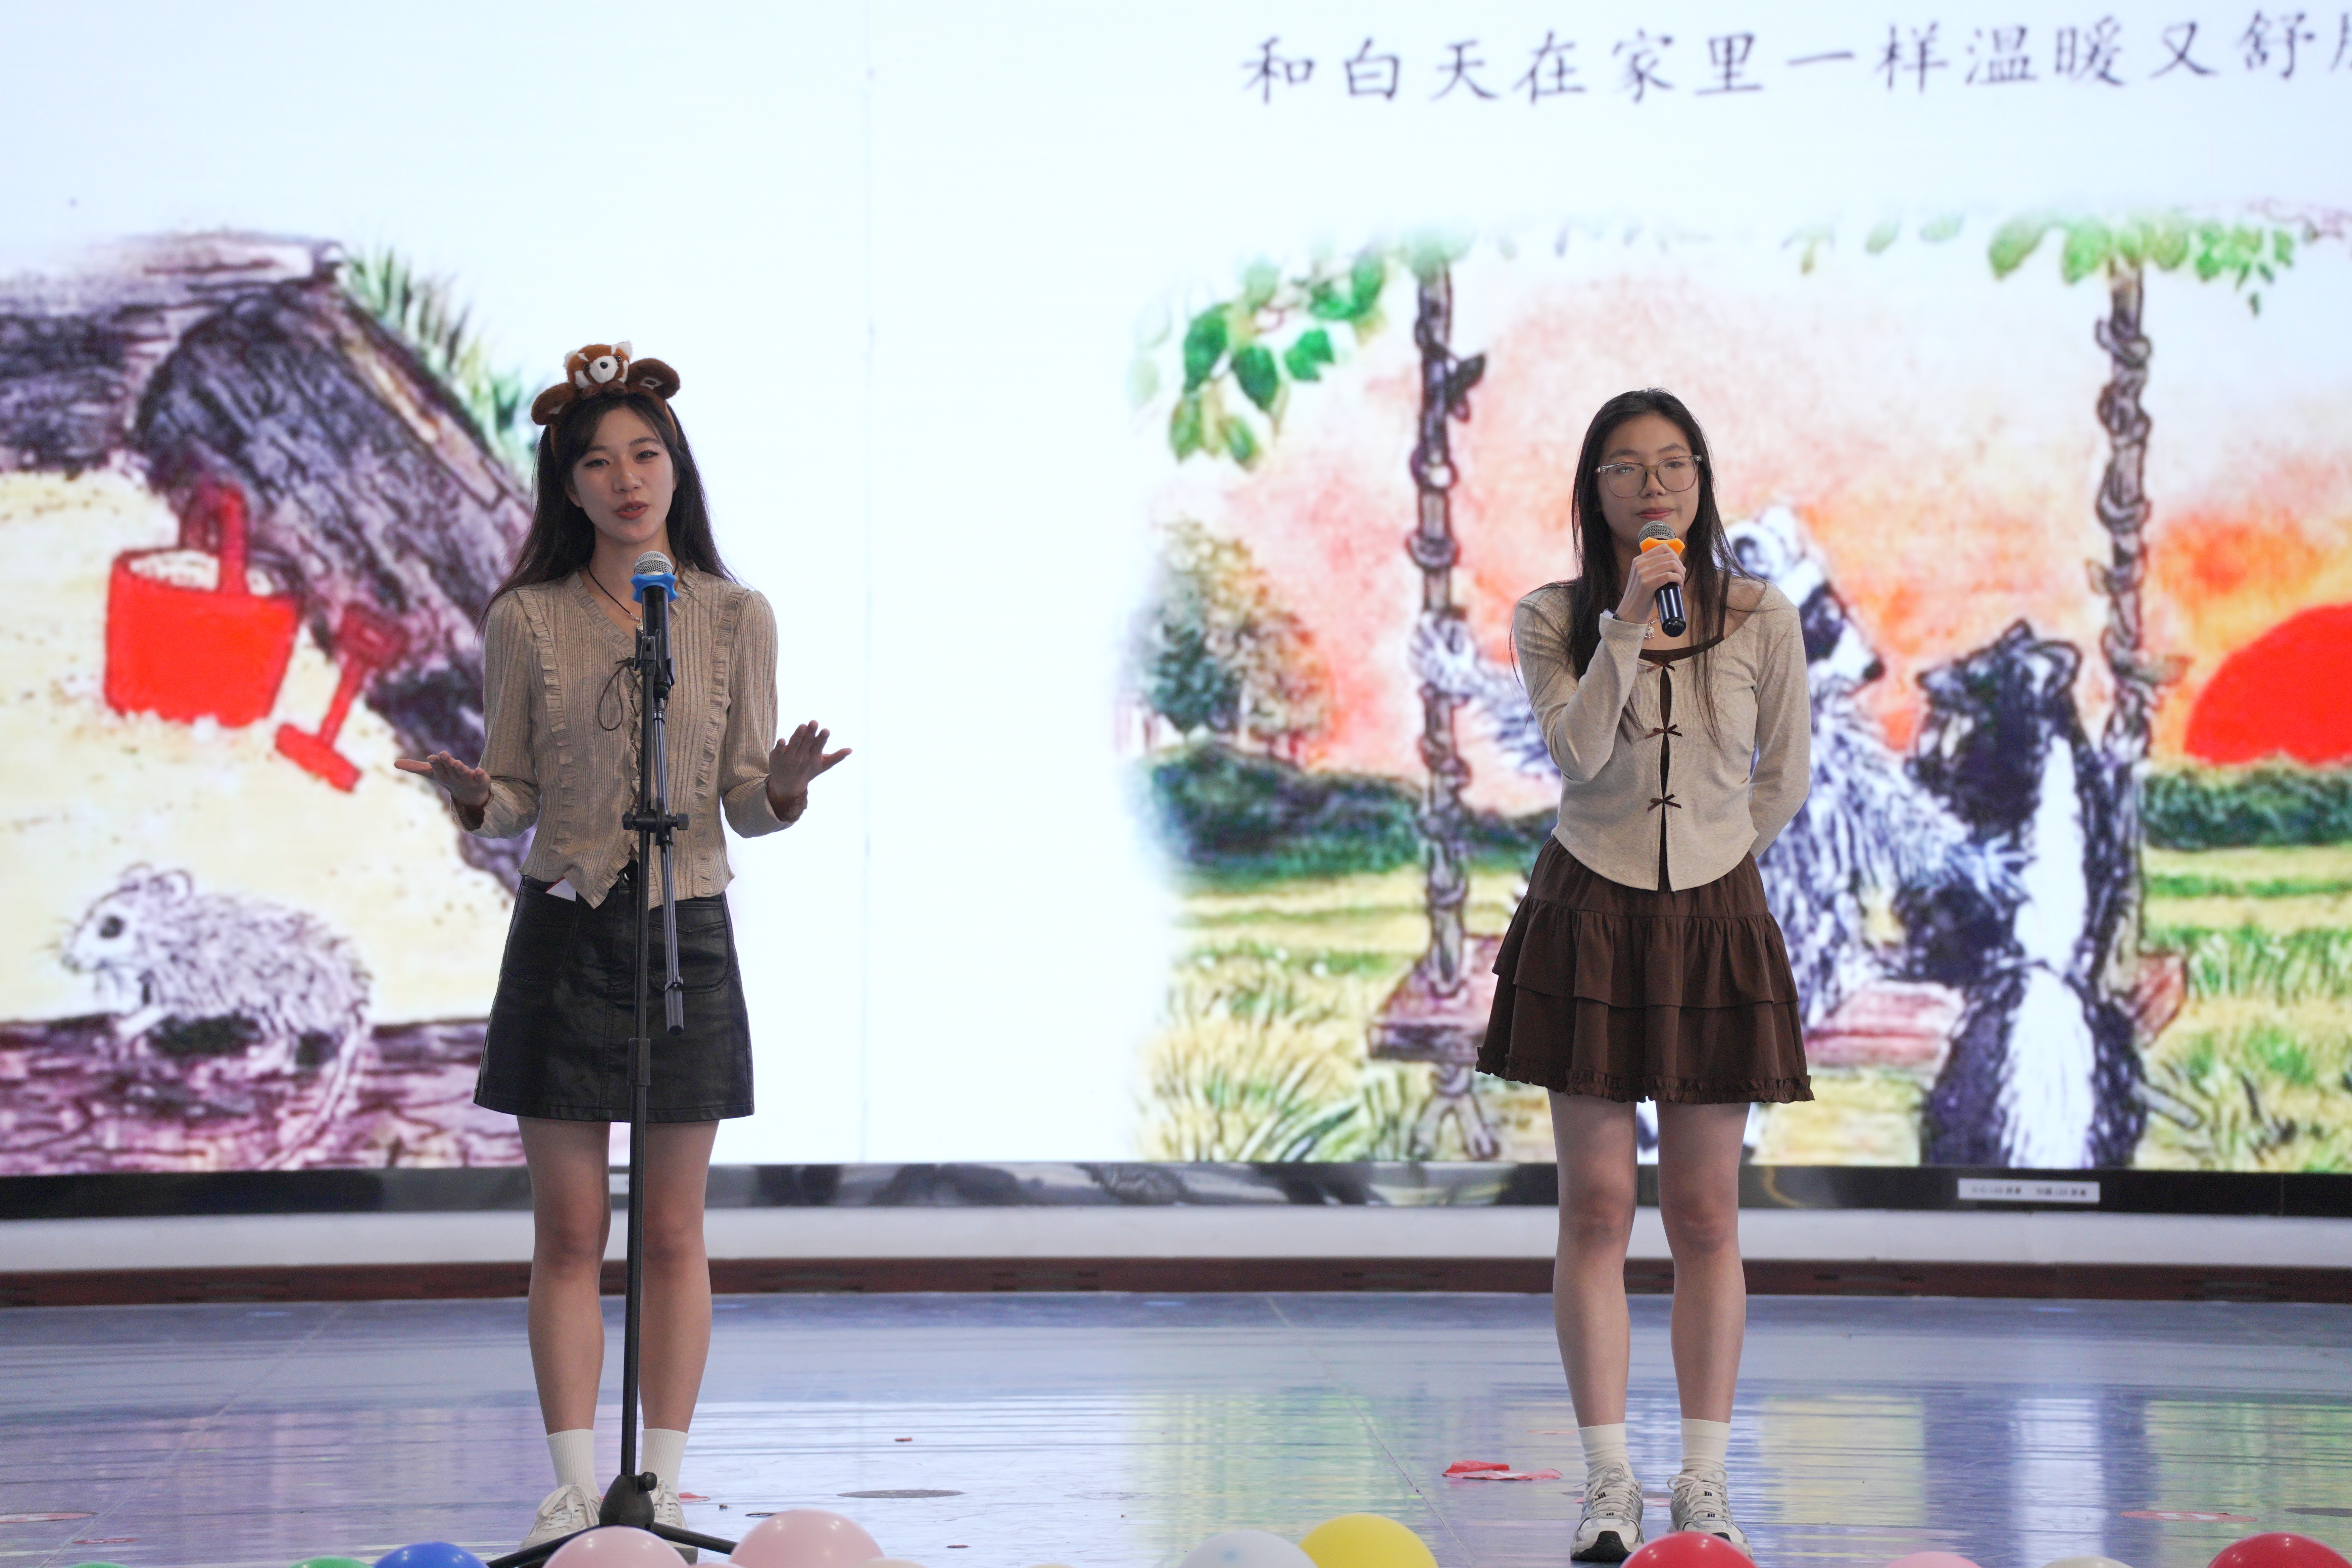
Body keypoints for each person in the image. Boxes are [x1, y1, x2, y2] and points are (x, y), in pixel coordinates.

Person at [398, 345, 848, 1560]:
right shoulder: (525, 618)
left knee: (673, 1231)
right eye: (598, 463)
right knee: (566, 1231)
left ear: (676, 469)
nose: (627, 479)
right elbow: (513, 800)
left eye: (646, 455)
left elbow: (744, 801)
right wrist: (469, 795)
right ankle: (567, 1486)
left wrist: (786, 787)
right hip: (565, 923)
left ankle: (663, 1482)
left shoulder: (734, 616)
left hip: (684, 926)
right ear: (570, 488)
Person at [1478, 388, 1810, 1560]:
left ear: (1702, 480)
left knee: (1707, 1212)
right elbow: (1575, 753)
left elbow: (1783, 775)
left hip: (1714, 915)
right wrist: (1623, 625)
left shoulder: (1763, 615)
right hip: (1590, 914)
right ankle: (1607, 1483)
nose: (1653, 484)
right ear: (1596, 491)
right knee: (1599, 1206)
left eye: (1674, 463)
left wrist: (1713, 864)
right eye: (1626, 468)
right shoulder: (1551, 616)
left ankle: (1704, 1483)